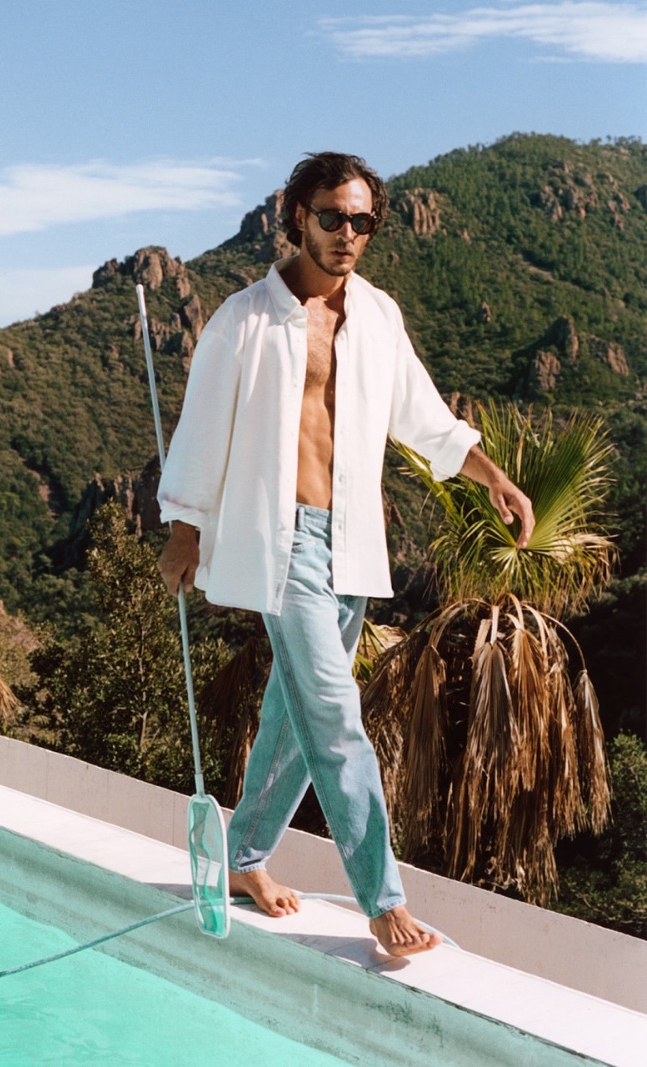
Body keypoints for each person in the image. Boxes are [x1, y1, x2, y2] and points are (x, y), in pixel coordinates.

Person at [157, 151, 534, 958]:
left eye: (363, 220)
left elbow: (424, 418)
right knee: (335, 716)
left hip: (350, 541)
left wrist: (492, 476)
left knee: (292, 719)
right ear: (297, 217)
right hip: (277, 536)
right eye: (333, 217)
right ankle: (382, 898)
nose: (348, 234)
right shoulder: (243, 320)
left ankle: (245, 857)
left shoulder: (379, 317)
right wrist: (184, 526)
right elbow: (200, 429)